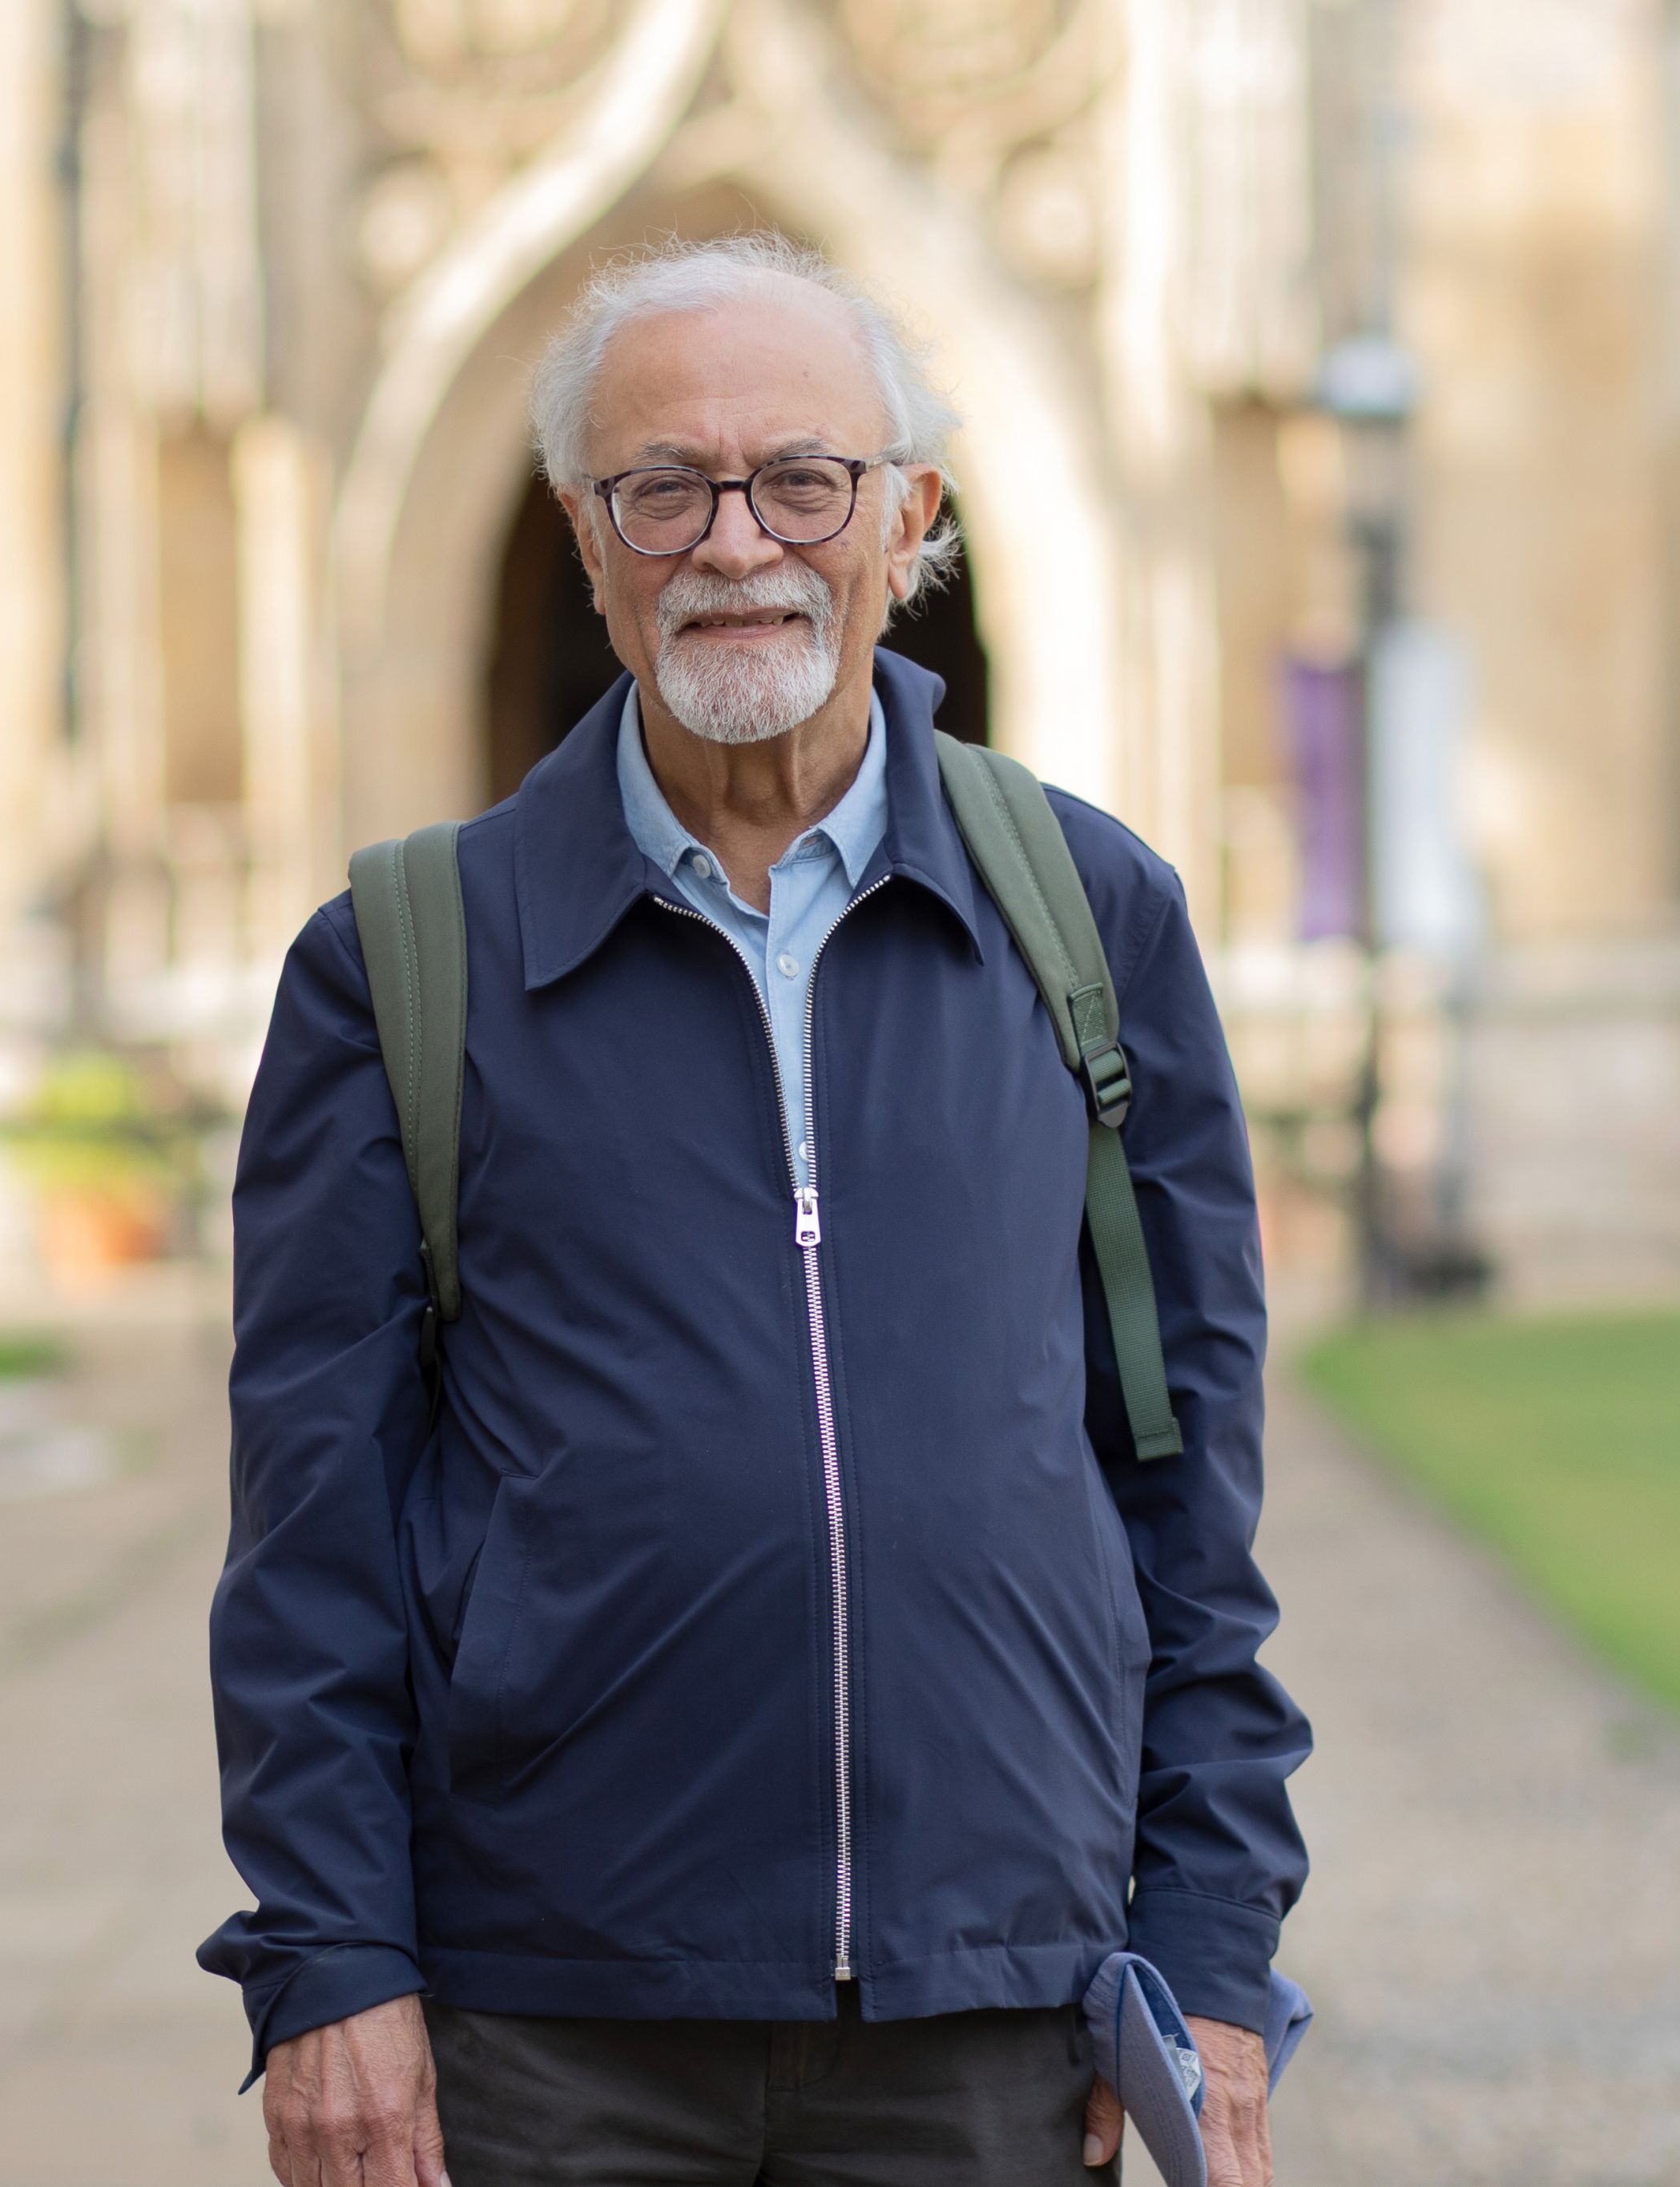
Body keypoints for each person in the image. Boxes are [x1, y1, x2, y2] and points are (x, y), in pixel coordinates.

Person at [200, 235, 1311, 2186]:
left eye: (799, 480)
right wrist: (326, 1969)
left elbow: (1185, 1485)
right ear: (585, 536)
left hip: (986, 2002)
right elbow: (310, 1536)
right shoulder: (399, 961)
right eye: (664, 488)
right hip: (552, 2020)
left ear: (906, 521)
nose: (736, 542)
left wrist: (1210, 1946)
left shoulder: (1089, 915)